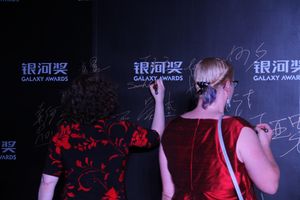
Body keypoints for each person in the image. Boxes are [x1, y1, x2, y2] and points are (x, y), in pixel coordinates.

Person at [160, 57, 280, 200]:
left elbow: (168, 193)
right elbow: (270, 186)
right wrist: (265, 144)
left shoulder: (171, 128)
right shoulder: (236, 129)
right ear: (227, 85)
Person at [38, 72, 165, 200]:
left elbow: (47, 182)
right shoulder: (120, 129)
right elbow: (156, 137)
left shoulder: (64, 133)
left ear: (73, 100)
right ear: (107, 98)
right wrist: (159, 101)